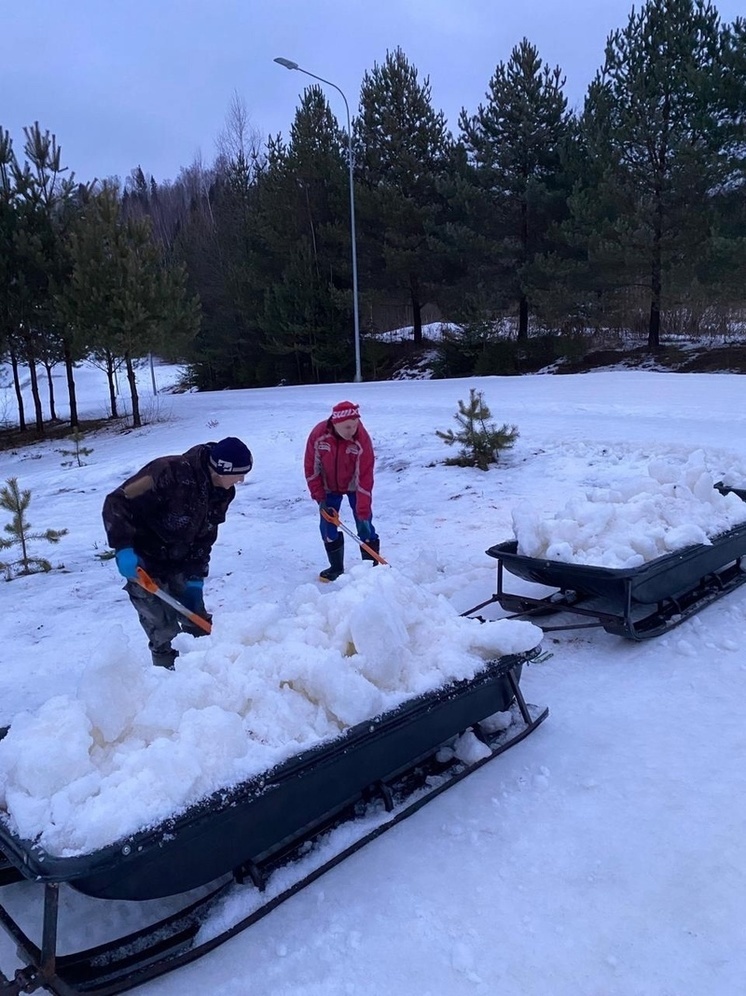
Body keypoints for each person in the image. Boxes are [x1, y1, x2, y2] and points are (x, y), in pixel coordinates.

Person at [102, 436, 253, 669]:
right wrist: (123, 547)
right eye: (239, 474)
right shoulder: (168, 472)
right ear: (221, 469)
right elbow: (118, 501)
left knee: (198, 620)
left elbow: (206, 536)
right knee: (162, 628)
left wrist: (195, 578)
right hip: (144, 560)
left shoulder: (223, 492)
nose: (241, 480)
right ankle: (167, 677)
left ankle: (209, 669)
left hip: (180, 560)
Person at [304, 400, 379, 582]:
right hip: (329, 488)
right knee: (327, 528)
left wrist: (362, 509)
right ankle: (336, 568)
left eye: (354, 426)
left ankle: (371, 569)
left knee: (364, 524)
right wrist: (320, 498)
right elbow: (311, 468)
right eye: (346, 427)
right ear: (335, 423)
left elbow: (365, 477)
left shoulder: (361, 440)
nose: (351, 431)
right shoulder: (319, 435)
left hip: (355, 487)